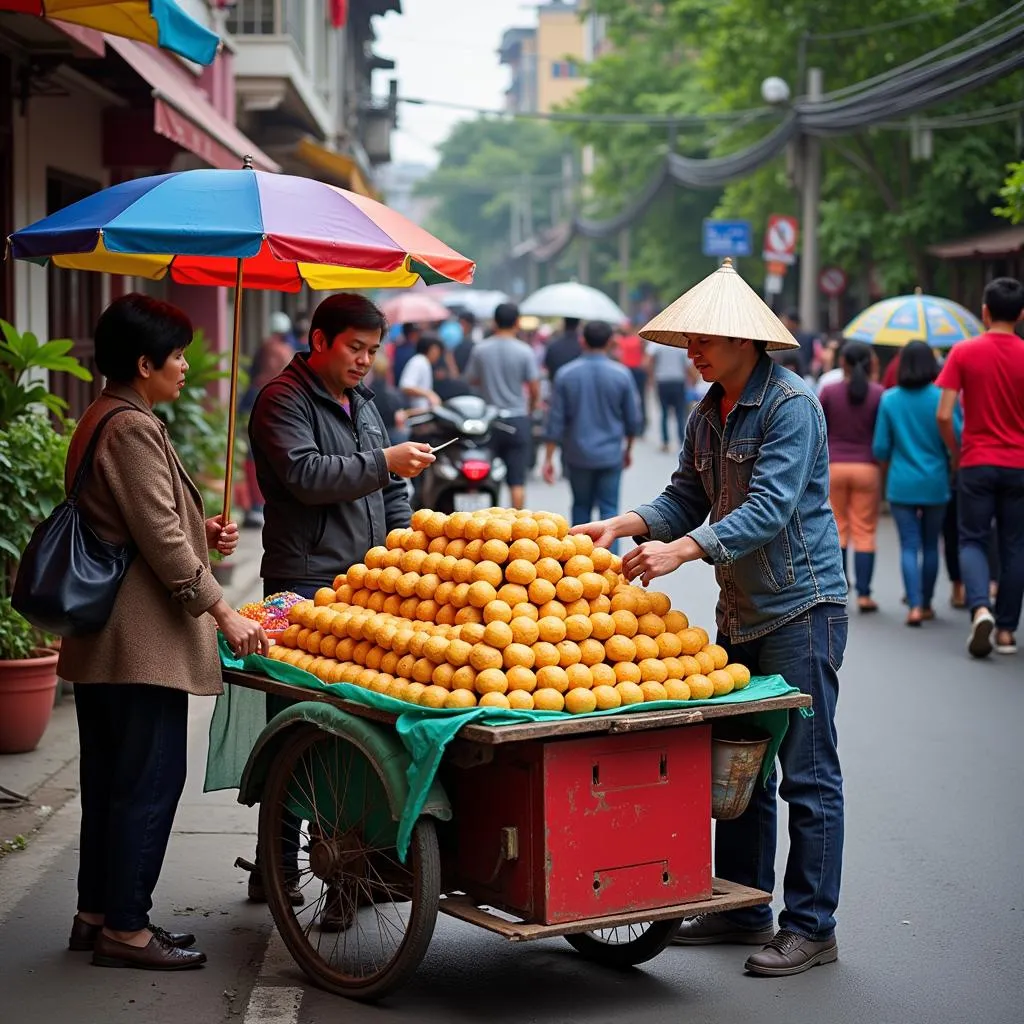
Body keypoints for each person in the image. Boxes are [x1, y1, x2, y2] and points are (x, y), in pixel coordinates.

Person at [574, 259, 847, 978]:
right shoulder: (706, 413)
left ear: (745, 342)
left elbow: (771, 507)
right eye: (688, 342)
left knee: (808, 778)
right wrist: (622, 523)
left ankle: (812, 927)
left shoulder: (792, 405)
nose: (691, 354)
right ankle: (744, 910)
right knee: (741, 770)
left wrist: (684, 552)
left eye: (703, 341)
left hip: (802, 606)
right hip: (741, 610)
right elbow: (681, 498)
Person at [59, 294, 267, 971]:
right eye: (175, 356)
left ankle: (98, 914)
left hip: (108, 639)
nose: (185, 366)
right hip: (137, 642)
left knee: (113, 780)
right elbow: (160, 540)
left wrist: (199, 531)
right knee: (148, 781)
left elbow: (137, 524)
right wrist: (223, 610)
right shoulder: (131, 428)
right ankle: (128, 929)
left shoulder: (103, 417)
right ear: (144, 363)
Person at [246, 294, 433, 914]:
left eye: (373, 351)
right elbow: (307, 475)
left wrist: (402, 552)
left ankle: (351, 876)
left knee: (356, 733)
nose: (365, 361)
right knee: (302, 727)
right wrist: (383, 461)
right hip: (306, 585)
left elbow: (394, 492)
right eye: (355, 348)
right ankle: (276, 866)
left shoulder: (366, 403)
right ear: (320, 340)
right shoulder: (282, 400)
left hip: (368, 585)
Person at [936, 277, 1024, 658]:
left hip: (975, 461)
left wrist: (957, 452)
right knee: (1014, 545)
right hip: (1019, 465)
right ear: (1020, 315)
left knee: (972, 538)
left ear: (985, 312)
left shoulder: (964, 352)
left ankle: (980, 607)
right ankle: (1006, 631)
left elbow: (944, 414)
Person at [872, 341, 960, 626]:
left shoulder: (890, 399)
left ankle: (913, 606)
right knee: (931, 545)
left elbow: (881, 447)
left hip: (902, 482)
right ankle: (926, 602)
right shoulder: (942, 398)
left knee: (909, 544)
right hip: (935, 480)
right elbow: (956, 437)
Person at [541, 321, 643, 550]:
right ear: (610, 342)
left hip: (577, 455)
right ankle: (611, 570)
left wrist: (548, 459)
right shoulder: (621, 374)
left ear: (582, 341)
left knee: (581, 510)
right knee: (610, 514)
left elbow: (555, 421)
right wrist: (627, 450)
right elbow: (633, 420)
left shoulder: (566, 374)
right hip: (610, 455)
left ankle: (580, 567)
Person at [819, 342, 884, 611]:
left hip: (835, 467)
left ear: (842, 361)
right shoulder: (879, 394)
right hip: (867, 468)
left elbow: (819, 428)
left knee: (839, 529)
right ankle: (865, 595)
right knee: (865, 531)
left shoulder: (830, 392)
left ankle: (840, 590)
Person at [464, 302, 540, 509]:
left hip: (489, 421)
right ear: (517, 322)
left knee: (483, 475)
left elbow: (472, 379)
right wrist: (530, 408)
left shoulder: (481, 349)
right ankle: (518, 530)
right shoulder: (525, 351)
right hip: (517, 419)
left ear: (495, 322)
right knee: (517, 481)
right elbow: (534, 387)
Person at [648, 339, 691, 453]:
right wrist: (691, 380)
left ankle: (665, 442)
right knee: (679, 413)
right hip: (678, 380)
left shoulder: (658, 343)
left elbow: (650, 360)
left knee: (664, 412)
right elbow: (687, 365)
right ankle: (682, 440)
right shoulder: (680, 344)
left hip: (662, 380)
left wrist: (651, 378)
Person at [614, 323, 649, 434]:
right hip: (635, 371)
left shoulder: (621, 341)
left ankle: (636, 425)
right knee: (640, 399)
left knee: (631, 398)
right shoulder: (636, 340)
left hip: (630, 371)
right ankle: (640, 426)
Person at [398, 335, 443, 410]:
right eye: (438, 350)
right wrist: (429, 394)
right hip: (414, 413)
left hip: (420, 411)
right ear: (432, 349)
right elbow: (406, 386)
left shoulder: (424, 362)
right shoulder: (419, 361)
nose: (438, 355)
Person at [780, 309, 819, 378]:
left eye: (785, 321)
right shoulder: (786, 338)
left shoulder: (807, 338)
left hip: (803, 375)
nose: (783, 324)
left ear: (792, 322)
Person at [543, 316, 582, 381]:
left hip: (555, 383)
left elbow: (547, 365)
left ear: (564, 323)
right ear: (578, 324)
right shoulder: (582, 346)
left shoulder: (553, 344)